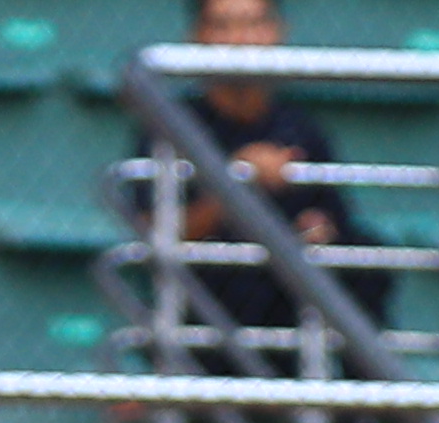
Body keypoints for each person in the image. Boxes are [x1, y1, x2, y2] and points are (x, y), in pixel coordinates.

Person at [168, 0, 404, 396]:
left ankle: (365, 415)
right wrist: (236, 181)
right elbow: (157, 231)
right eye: (224, 26)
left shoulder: (301, 127)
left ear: (278, 32)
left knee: (363, 258)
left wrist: (320, 229)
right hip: (215, 297)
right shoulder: (172, 124)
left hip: (292, 295)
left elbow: (333, 218)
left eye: (253, 24)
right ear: (197, 37)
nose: (240, 41)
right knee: (242, 274)